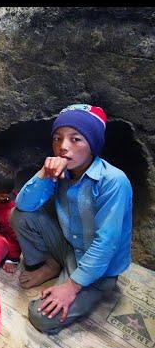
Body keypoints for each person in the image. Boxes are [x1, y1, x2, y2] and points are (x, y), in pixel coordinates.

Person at [10, 104, 132, 334]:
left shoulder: (113, 181)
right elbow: (23, 205)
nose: (63, 147)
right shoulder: (62, 172)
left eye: (76, 139)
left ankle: (75, 280)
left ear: (93, 145)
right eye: (57, 138)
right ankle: (51, 265)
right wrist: (44, 174)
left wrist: (71, 286)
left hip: (99, 270)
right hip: (69, 248)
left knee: (41, 316)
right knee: (19, 216)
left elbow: (106, 243)